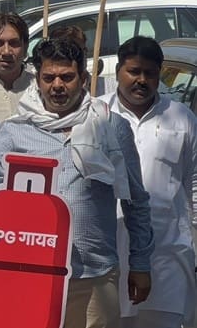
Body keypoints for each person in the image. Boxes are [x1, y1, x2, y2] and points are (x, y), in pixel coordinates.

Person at [0, 37, 154, 328]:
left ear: (83, 78)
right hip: (32, 272)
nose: (57, 85)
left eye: (67, 77)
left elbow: (136, 201)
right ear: (38, 80)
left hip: (95, 274)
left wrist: (141, 264)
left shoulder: (111, 127)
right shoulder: (15, 132)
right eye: (49, 77)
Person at [100, 37, 197, 328]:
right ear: (118, 70)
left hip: (167, 254)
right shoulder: (96, 114)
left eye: (150, 73)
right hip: (108, 255)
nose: (141, 80)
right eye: (134, 71)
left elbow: (194, 184)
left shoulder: (181, 118)